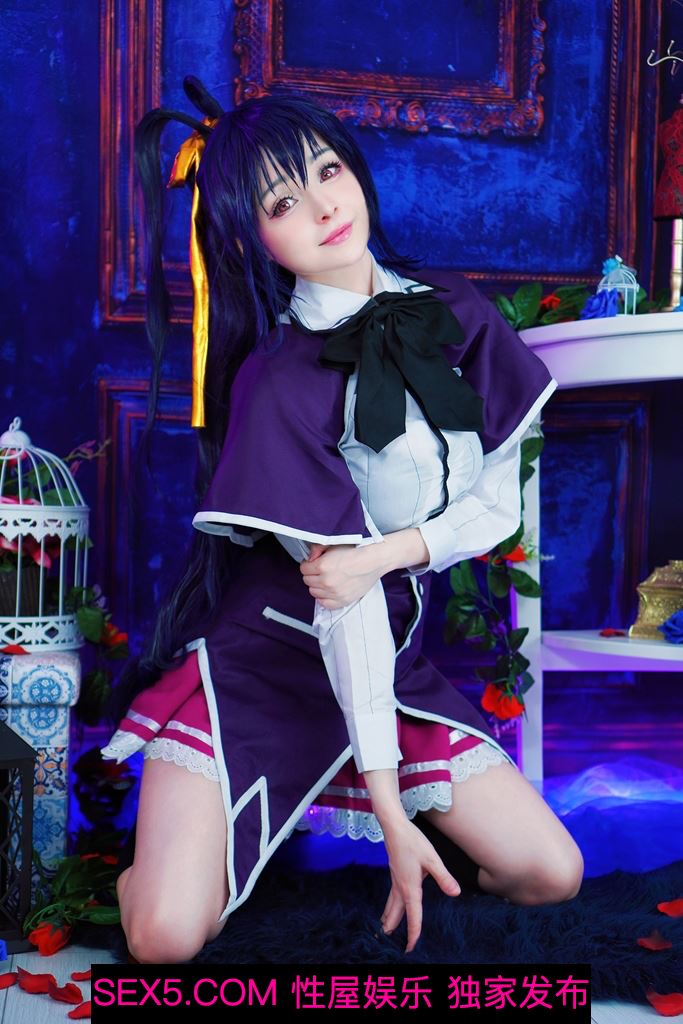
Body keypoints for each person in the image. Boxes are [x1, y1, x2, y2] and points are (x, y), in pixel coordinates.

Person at [101, 75, 584, 964]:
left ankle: (416, 840)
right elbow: (340, 599)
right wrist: (391, 810)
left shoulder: (454, 311)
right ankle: (157, 869)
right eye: (283, 202)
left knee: (550, 873)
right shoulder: (278, 380)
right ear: (250, 236)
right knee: (164, 938)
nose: (324, 206)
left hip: (387, 667)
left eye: (328, 170)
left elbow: (497, 505)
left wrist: (393, 551)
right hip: (261, 672)